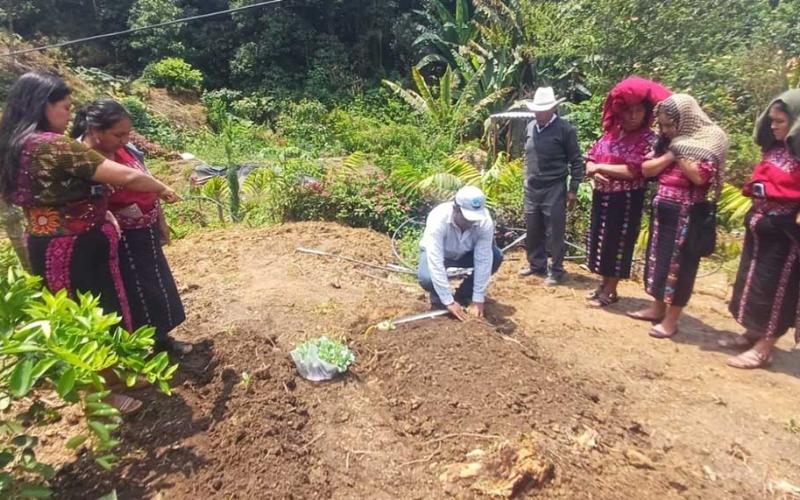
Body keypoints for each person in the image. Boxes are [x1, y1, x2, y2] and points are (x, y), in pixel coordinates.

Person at [0, 72, 180, 413]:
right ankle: (99, 396)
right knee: (86, 318)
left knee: (98, 312)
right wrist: (160, 186)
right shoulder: (50, 145)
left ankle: (114, 378)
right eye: (65, 108)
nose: (70, 115)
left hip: (58, 243)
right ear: (44, 105)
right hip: (71, 249)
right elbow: (123, 175)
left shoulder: (15, 144)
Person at [72, 99, 190, 355]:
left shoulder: (129, 151)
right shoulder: (80, 158)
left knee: (155, 285)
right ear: (95, 130)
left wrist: (160, 220)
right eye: (118, 134)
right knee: (128, 294)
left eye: (127, 133)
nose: (124, 139)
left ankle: (162, 340)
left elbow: (144, 181)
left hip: (143, 232)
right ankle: (135, 350)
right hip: (115, 239)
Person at [627, 94, 728, 338]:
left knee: (680, 267)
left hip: (689, 214)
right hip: (664, 210)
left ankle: (672, 320)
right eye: (662, 125)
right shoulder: (667, 144)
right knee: (659, 261)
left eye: (670, 125)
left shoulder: (710, 141)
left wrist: (678, 152)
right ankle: (657, 307)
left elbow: (700, 177)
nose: (666, 130)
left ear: (685, 120)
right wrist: (672, 152)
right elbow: (646, 168)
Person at [724, 89, 800, 369]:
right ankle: (752, 333)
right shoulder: (776, 148)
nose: (774, 126)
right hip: (760, 224)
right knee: (753, 283)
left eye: (780, 121)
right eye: (772, 121)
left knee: (776, 287)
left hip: (785, 232)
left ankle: (765, 347)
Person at [585, 77, 672, 307]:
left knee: (618, 242)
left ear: (646, 114)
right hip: (602, 196)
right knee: (601, 240)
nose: (633, 116)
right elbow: (591, 158)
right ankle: (604, 284)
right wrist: (593, 171)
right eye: (629, 111)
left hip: (625, 199)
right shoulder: (609, 135)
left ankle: (611, 289)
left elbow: (636, 170)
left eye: (638, 111)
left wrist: (601, 167)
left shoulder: (648, 140)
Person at [519, 87, 584, 286]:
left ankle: (556, 270)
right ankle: (536, 264)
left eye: (542, 110)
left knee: (554, 231)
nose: (537, 114)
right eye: (536, 110)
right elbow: (527, 155)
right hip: (532, 187)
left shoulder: (565, 129)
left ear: (552, 110)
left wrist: (573, 189)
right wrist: (525, 176)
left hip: (554, 187)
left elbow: (576, 161)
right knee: (533, 228)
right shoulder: (530, 127)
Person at [418, 186, 503, 321]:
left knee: (496, 256)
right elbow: (435, 261)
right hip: (439, 255)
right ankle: (439, 299)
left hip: (465, 254)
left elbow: (484, 259)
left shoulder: (484, 222)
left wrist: (478, 299)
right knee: (427, 278)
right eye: (467, 218)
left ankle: (464, 294)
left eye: (474, 218)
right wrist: (448, 302)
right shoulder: (438, 218)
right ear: (456, 209)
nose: (471, 222)